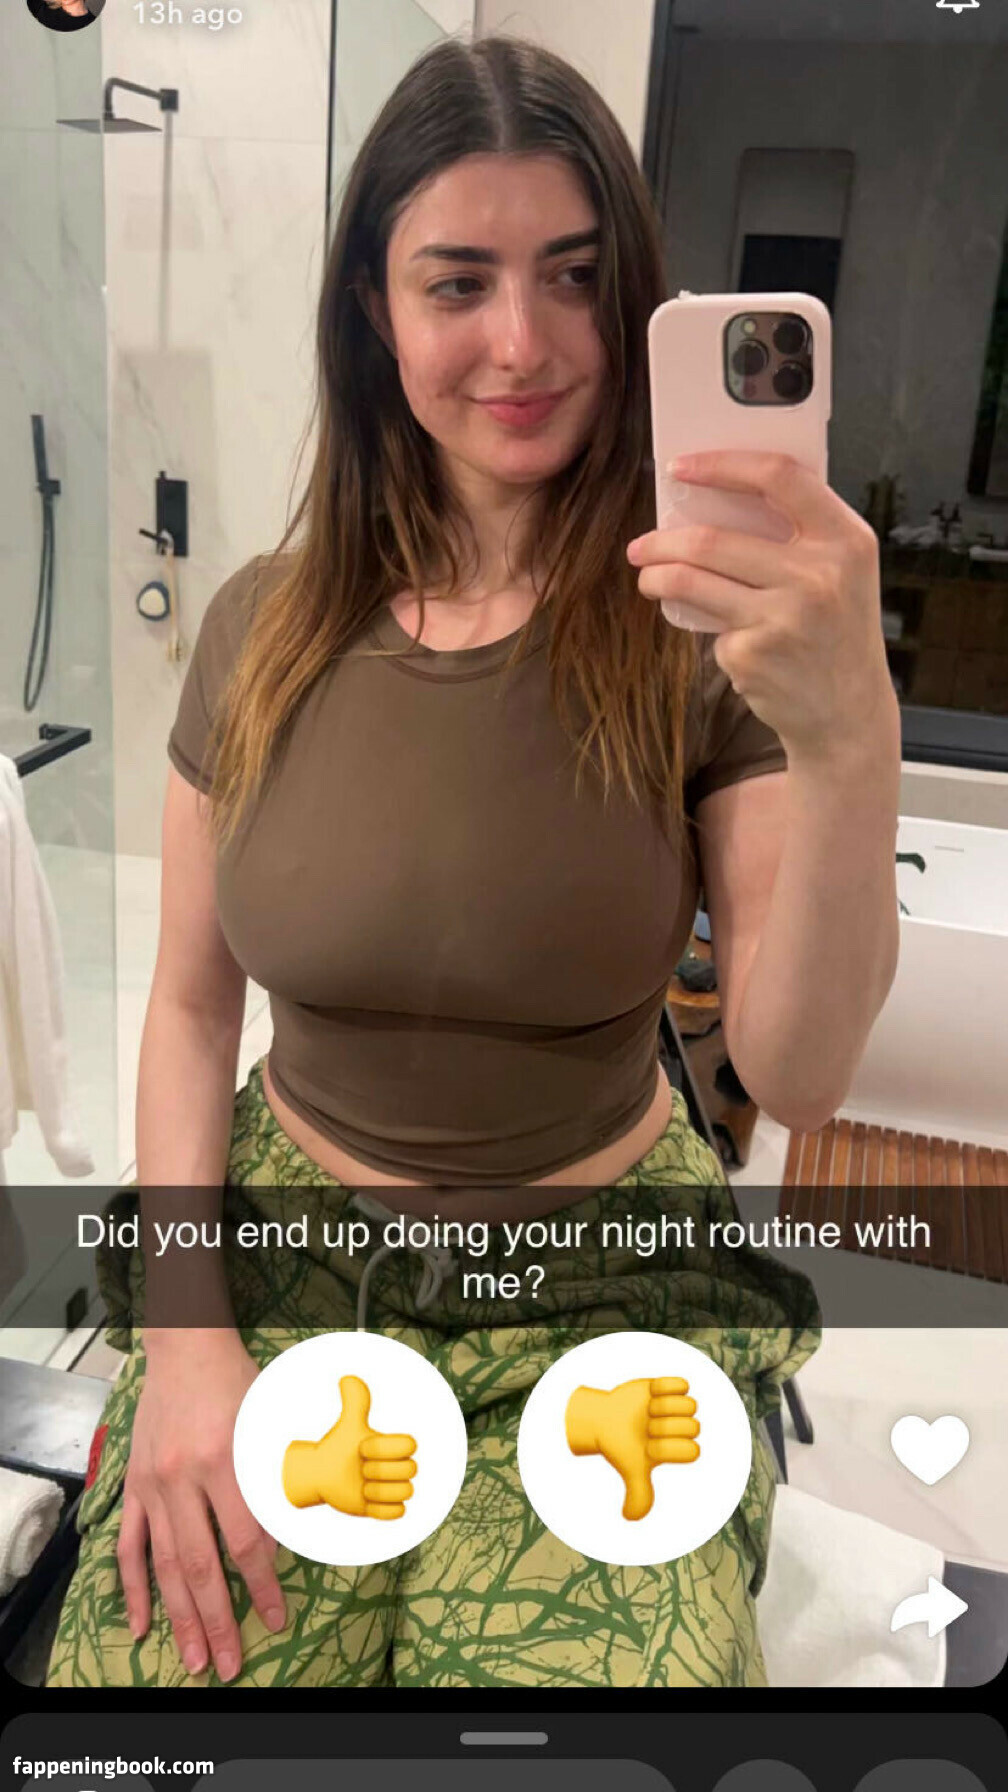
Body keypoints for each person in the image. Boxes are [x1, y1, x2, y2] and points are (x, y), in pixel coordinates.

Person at [47, 32, 901, 1690]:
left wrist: (849, 736)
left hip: (601, 1296)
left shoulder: (695, 636)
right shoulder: (259, 629)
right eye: (460, 282)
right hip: (288, 1266)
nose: (524, 343)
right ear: (377, 312)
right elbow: (188, 1011)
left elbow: (798, 1071)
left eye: (575, 277)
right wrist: (188, 1346)